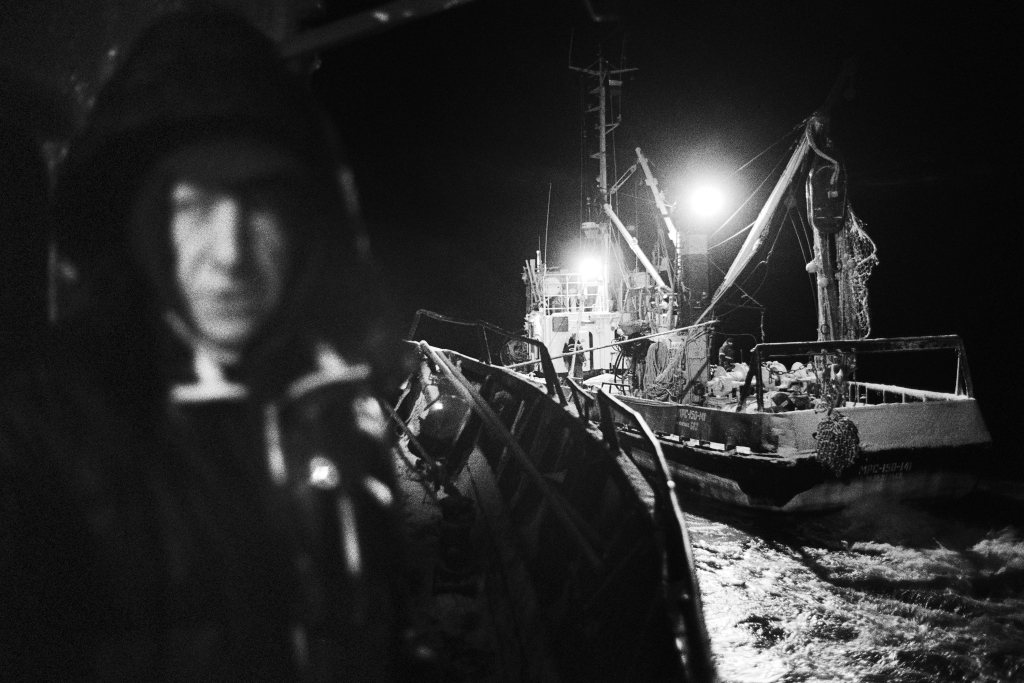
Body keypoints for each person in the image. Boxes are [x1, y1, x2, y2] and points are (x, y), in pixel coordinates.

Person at [1, 9, 409, 682]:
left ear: (309, 222)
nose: (231, 253)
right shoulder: (35, 433)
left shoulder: (338, 411)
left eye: (263, 202)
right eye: (192, 204)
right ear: (131, 221)